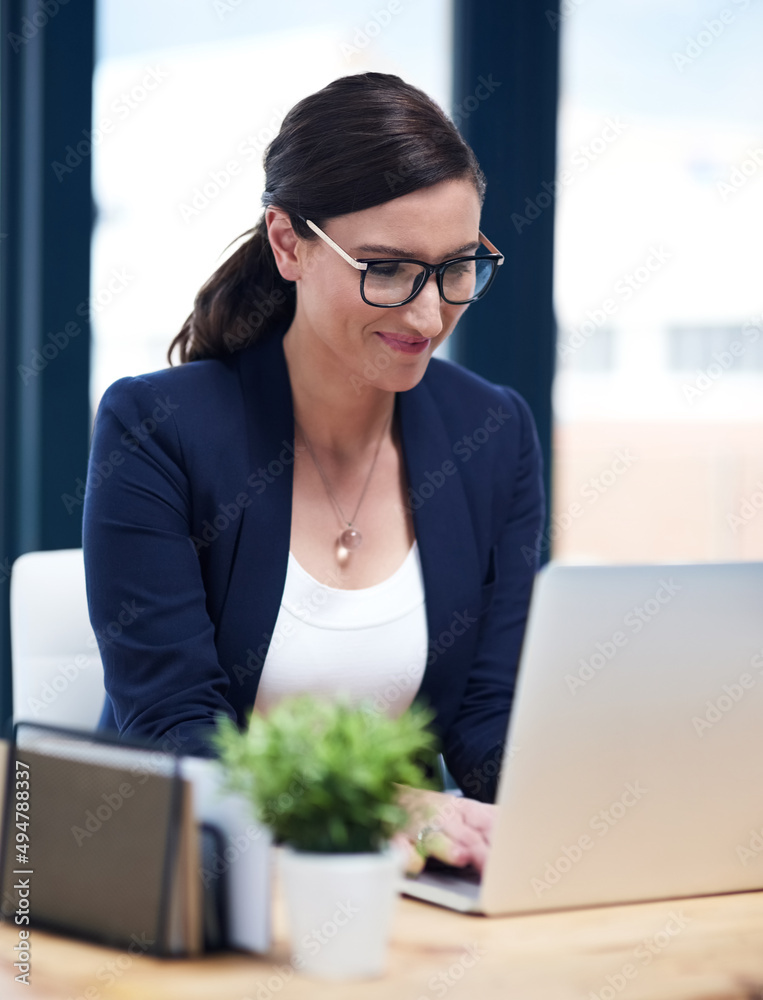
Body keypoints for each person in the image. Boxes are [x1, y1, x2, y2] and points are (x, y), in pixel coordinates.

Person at [82, 72, 545, 874]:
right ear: (288, 243)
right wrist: (374, 803)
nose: (428, 315)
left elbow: (486, 723)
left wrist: (578, 807)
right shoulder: (155, 429)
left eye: (458, 266)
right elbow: (174, 732)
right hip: (185, 887)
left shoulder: (493, 433)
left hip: (391, 895)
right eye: (387, 269)